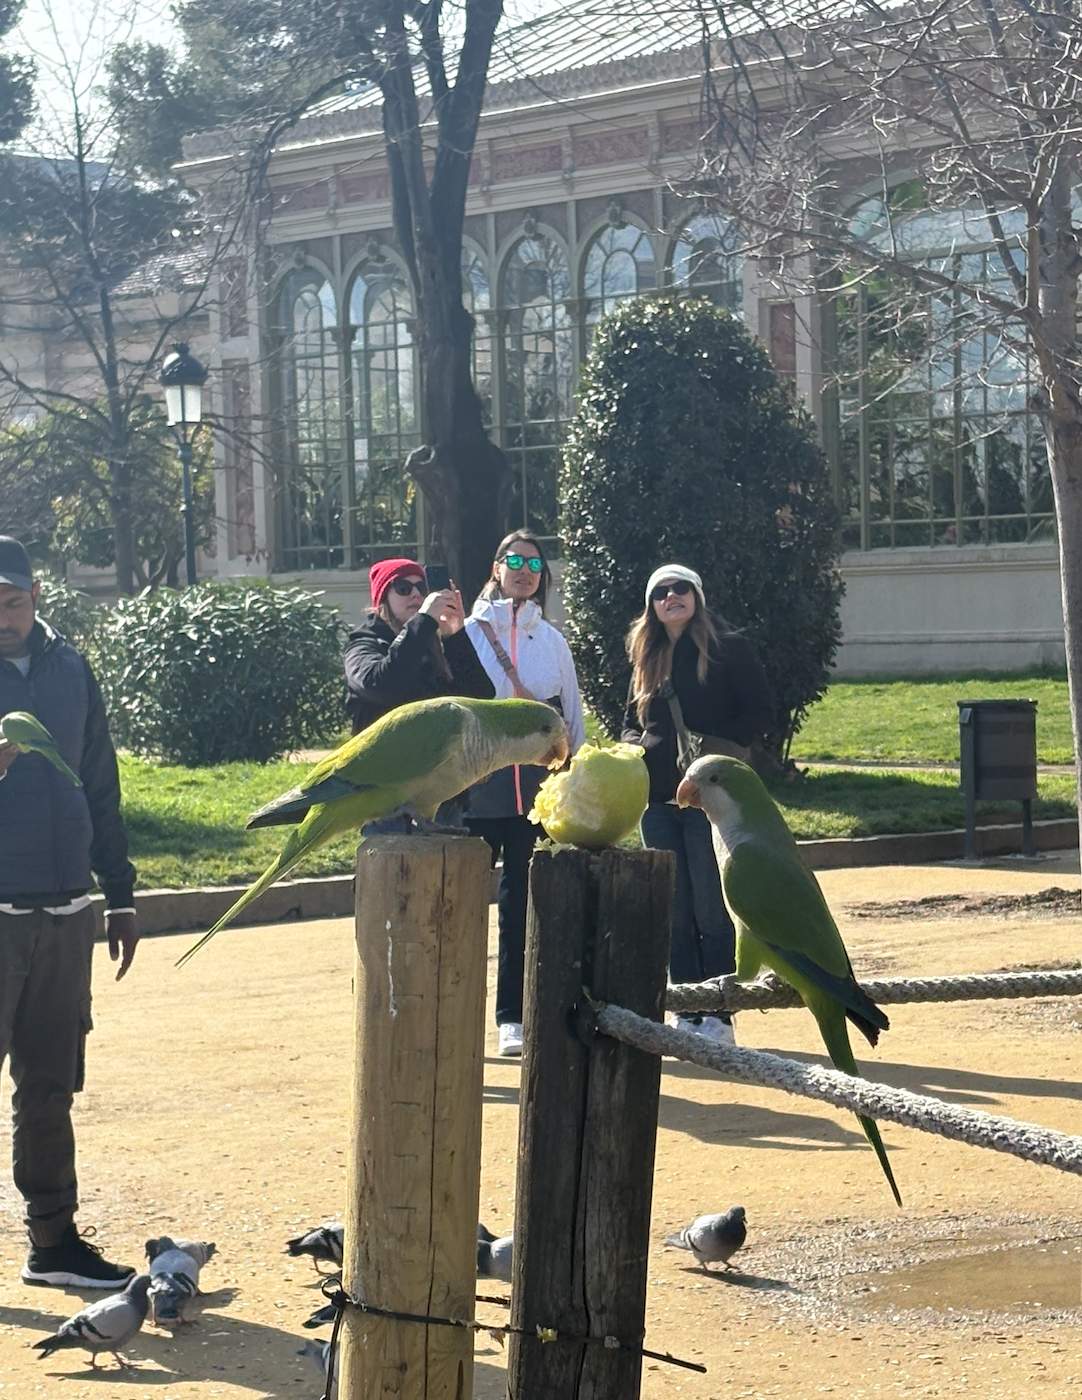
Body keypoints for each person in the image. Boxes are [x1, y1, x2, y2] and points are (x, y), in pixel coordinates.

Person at [0, 536, 138, 1288]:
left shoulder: (72, 669)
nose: (1, 616)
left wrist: (119, 895)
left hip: (66, 912)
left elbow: (101, 786)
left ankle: (52, 1244)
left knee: (51, 1087)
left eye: (12, 601)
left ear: (37, 596)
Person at [622, 564, 773, 1046]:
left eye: (681, 588)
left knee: (711, 907)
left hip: (708, 801)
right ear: (652, 606)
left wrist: (720, 754)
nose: (672, 597)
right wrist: (635, 747)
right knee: (673, 907)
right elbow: (630, 720)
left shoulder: (729, 648)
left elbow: (761, 711)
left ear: (697, 596)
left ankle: (721, 1013)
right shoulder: (647, 655)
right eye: (661, 592)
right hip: (657, 798)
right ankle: (686, 1009)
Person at [465, 530, 585, 1057]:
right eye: (513, 559)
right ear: (496, 568)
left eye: (534, 563)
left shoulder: (552, 641)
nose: (524, 569)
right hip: (475, 791)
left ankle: (511, 1018)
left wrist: (572, 777)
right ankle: (456, 1012)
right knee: (460, 906)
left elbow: (571, 718)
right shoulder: (468, 633)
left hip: (533, 798)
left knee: (521, 908)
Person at [343, 557, 494, 736]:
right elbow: (384, 687)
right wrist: (422, 622)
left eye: (422, 588)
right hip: (382, 762)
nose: (416, 594)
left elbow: (480, 698)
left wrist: (455, 636)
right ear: (383, 600)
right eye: (403, 588)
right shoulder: (363, 644)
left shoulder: (430, 644)